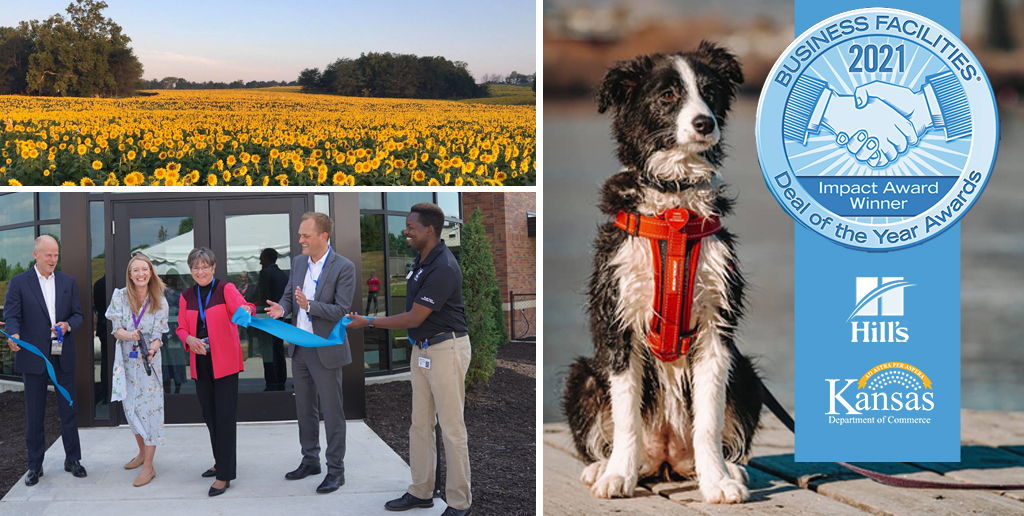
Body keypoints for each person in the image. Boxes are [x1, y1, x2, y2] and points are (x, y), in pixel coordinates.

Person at [347, 203, 472, 516]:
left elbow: (415, 317)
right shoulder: (422, 261)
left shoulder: (443, 266)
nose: (406, 231)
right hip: (423, 351)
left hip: (446, 350)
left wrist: (368, 321)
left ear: (429, 230)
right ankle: (421, 491)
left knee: (452, 429)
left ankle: (460, 503)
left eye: (411, 227)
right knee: (420, 425)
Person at [265, 212, 355, 494]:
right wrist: (282, 308)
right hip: (299, 348)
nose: (300, 240)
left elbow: (342, 310)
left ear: (323, 236)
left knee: (332, 411)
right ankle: (310, 461)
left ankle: (336, 471)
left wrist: (310, 306)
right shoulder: (298, 262)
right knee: (304, 408)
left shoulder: (344, 267)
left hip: (325, 349)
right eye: (300, 235)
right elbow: (289, 295)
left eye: (305, 235)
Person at [3, 235, 87, 486]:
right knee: (35, 414)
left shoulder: (68, 282)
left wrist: (67, 325)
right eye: (48, 255)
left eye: (56, 255)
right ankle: (34, 465)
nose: (53, 259)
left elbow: (78, 315)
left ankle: (73, 460)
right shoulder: (19, 282)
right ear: (35, 254)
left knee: (68, 411)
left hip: (63, 356)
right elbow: (12, 316)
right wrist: (14, 335)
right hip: (33, 357)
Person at [175, 247, 254, 497]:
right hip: (200, 361)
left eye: (204, 267)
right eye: (195, 268)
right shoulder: (186, 295)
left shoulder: (225, 289)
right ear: (191, 270)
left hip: (225, 361)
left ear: (213, 267)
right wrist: (189, 339)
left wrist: (248, 311)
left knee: (225, 417)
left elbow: (246, 307)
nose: (200, 272)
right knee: (210, 415)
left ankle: (224, 475)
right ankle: (220, 461)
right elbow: (180, 328)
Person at [106, 253, 169, 487]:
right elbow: (116, 330)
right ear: (130, 275)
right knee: (131, 409)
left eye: (144, 269)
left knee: (151, 413)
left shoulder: (160, 300)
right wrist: (131, 335)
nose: (140, 274)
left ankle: (149, 466)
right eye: (136, 270)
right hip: (126, 363)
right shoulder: (120, 296)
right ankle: (142, 452)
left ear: (151, 273)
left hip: (148, 364)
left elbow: (158, 335)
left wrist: (151, 349)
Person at [256, 248, 288, 390]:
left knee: (268, 351)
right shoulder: (283, 275)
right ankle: (281, 380)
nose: (260, 262)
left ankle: (271, 382)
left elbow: (260, 295)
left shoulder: (265, 273)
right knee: (279, 349)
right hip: (281, 318)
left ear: (268, 258)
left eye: (261, 259)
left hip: (267, 318)